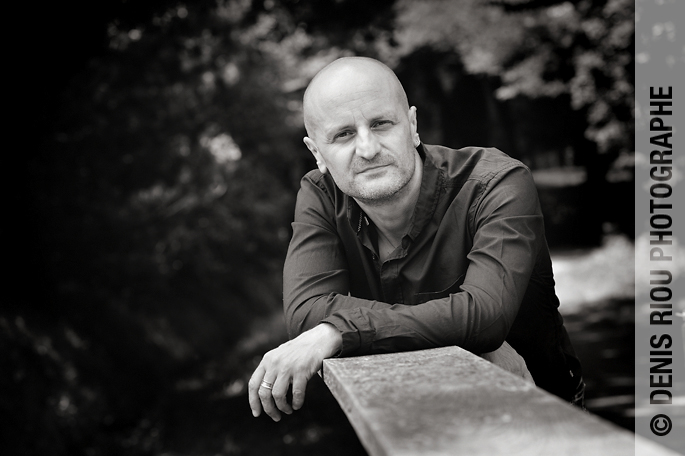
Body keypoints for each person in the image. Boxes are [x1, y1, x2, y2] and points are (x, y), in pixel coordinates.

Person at [248, 57, 584, 422]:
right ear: (317, 154)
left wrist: (339, 330)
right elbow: (305, 313)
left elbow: (487, 317)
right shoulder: (322, 194)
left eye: (381, 124)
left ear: (411, 125)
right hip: (415, 420)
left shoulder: (496, 183)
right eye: (343, 134)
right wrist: (459, 325)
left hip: (542, 417)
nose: (367, 148)